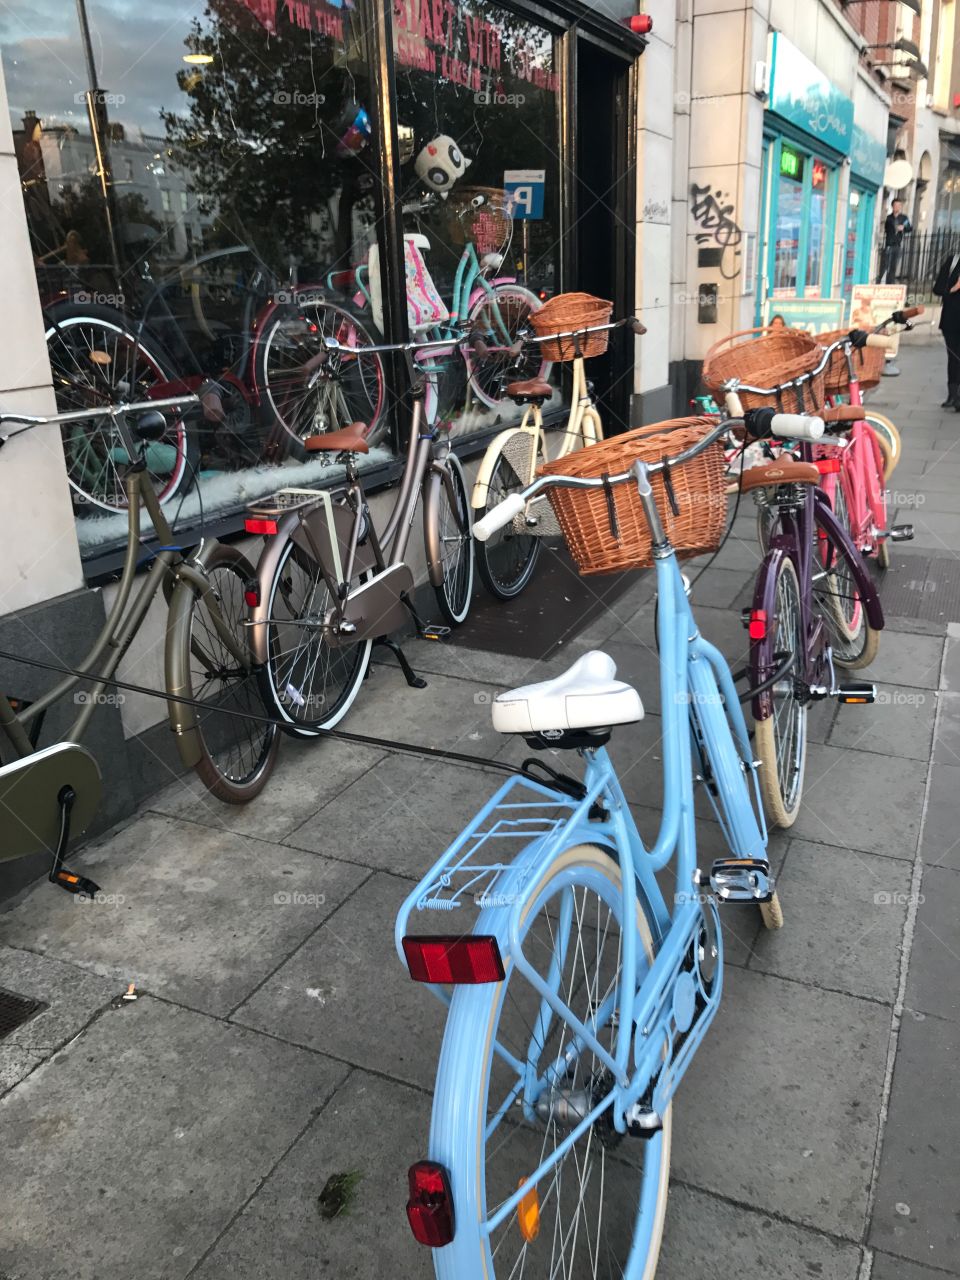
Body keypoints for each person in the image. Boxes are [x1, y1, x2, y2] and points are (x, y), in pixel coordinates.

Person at [933, 247, 960, 409]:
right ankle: (952, 395)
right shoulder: (952, 262)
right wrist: (954, 288)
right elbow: (937, 289)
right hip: (951, 320)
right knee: (954, 358)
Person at [877, 199, 912, 284]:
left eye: (899, 205)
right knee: (884, 266)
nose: (897, 207)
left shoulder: (904, 218)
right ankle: (880, 283)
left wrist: (903, 228)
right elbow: (885, 229)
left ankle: (890, 284)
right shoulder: (889, 218)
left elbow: (910, 228)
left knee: (893, 267)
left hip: (897, 245)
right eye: (896, 205)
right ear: (892, 206)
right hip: (889, 244)